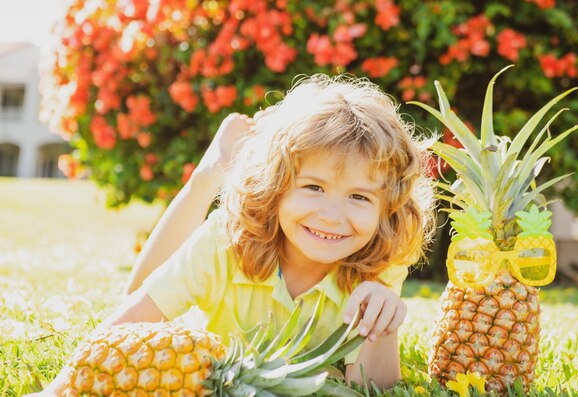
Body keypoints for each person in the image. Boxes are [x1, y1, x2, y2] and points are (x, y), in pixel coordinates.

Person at [36, 74, 436, 394]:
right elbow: (132, 318)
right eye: (313, 187)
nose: (333, 216)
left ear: (387, 211)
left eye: (360, 197)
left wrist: (383, 325)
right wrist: (56, 391)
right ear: (277, 186)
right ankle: (210, 174)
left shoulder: (378, 257)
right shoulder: (227, 241)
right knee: (145, 311)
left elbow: (371, 386)